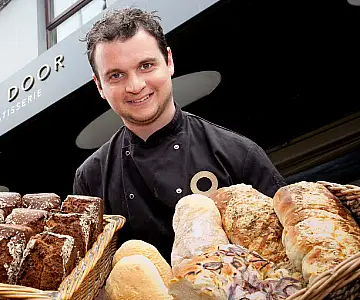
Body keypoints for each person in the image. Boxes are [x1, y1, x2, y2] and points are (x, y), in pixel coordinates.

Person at [73, 8, 286, 261]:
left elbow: (286, 248)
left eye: (146, 65)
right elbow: (89, 276)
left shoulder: (238, 153)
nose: (135, 86)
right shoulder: (90, 178)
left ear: (169, 62)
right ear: (100, 86)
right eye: (116, 75)